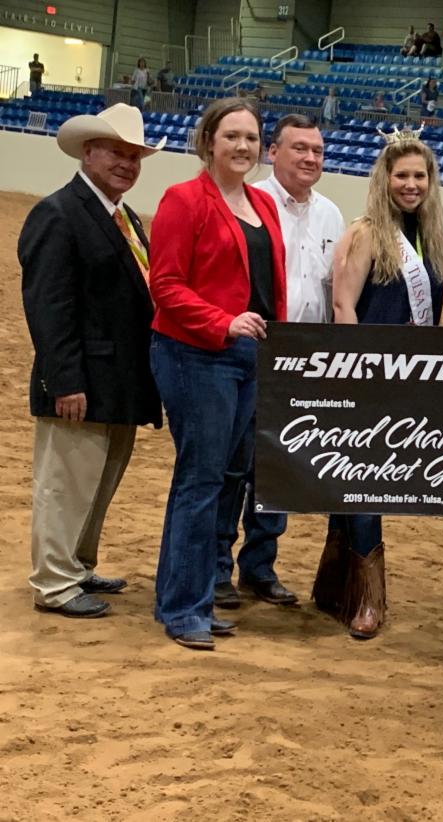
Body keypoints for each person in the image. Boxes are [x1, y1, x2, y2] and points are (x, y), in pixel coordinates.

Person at [148, 98, 287, 650]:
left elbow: (268, 285)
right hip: (195, 354)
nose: (242, 146)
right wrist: (222, 321)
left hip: (247, 357)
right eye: (231, 136)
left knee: (221, 480)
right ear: (208, 141)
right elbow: (165, 286)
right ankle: (185, 608)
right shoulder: (183, 199)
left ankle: (188, 596)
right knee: (202, 481)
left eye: (251, 137)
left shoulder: (262, 203)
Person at [18, 103, 164, 619]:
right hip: (80, 380)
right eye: (117, 153)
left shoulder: (123, 217)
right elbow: (48, 306)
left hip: (120, 379)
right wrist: (64, 380)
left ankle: (77, 564)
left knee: (97, 484)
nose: (127, 164)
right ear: (88, 152)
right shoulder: (58, 213)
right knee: (65, 483)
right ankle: (54, 582)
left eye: (135, 156)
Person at [211, 113, 346, 611]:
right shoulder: (251, 203)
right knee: (234, 464)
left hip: (304, 360)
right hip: (254, 350)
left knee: (279, 469)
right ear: (273, 152)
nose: (310, 158)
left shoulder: (331, 215)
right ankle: (217, 567)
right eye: (299, 148)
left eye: (317, 150)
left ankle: (259, 565)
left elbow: (334, 291)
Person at [318, 135, 443, 639]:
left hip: (405, 379)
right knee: (363, 480)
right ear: (385, 179)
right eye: (402, 176)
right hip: (364, 377)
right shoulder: (366, 233)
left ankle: (335, 585)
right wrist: (355, 373)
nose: (411, 185)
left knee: (356, 480)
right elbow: (343, 307)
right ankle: (367, 600)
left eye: (420, 176)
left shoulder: (430, 239)